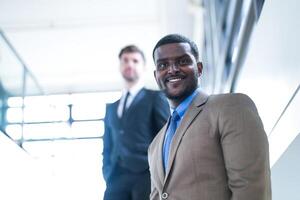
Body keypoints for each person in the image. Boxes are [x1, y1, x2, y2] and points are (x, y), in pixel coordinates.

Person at [148, 34, 272, 200]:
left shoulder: (230, 107)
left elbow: (250, 189)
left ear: (199, 68)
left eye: (183, 61)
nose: (172, 69)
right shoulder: (155, 144)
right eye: (163, 65)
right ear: (156, 76)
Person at [102, 45, 170, 200]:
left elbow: (165, 138)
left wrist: (159, 172)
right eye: (125, 60)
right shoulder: (111, 108)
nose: (129, 64)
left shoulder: (155, 98)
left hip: (146, 175)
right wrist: (106, 170)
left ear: (144, 67)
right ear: (120, 65)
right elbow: (107, 144)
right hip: (115, 177)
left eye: (135, 61)